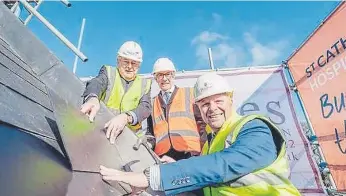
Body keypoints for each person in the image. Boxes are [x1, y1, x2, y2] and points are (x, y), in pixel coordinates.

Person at [99, 72, 301, 196]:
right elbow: (208, 184)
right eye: (205, 104)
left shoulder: (255, 128)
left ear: (231, 99)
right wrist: (169, 177)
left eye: (218, 101)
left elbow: (223, 166)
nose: (212, 108)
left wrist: (152, 177)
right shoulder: (210, 145)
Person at [80, 41, 152, 144]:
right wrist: (92, 98)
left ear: (139, 65)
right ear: (118, 61)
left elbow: (145, 107)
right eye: (126, 61)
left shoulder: (145, 84)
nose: (130, 66)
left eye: (134, 63)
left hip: (129, 140)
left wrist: (126, 117)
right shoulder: (109, 73)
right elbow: (97, 83)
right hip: (102, 133)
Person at [147, 57, 207, 163]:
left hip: (190, 153)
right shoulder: (151, 103)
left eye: (167, 74)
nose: (164, 78)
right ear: (155, 78)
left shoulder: (190, 93)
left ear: (173, 75)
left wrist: (204, 149)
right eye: (160, 75)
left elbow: (202, 124)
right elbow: (150, 132)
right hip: (163, 157)